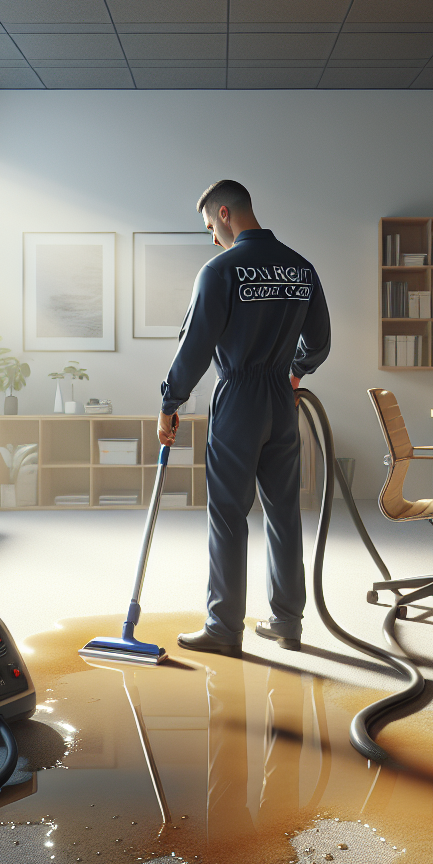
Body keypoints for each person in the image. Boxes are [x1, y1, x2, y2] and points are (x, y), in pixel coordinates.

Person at [158, 180, 331, 654]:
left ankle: (223, 628)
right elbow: (319, 344)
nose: (213, 237)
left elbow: (194, 348)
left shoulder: (219, 271)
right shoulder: (301, 268)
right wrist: (292, 374)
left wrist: (170, 403)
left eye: (211, 225)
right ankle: (287, 622)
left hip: (237, 400)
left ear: (227, 213)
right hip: (280, 398)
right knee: (283, 512)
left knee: (229, 515)